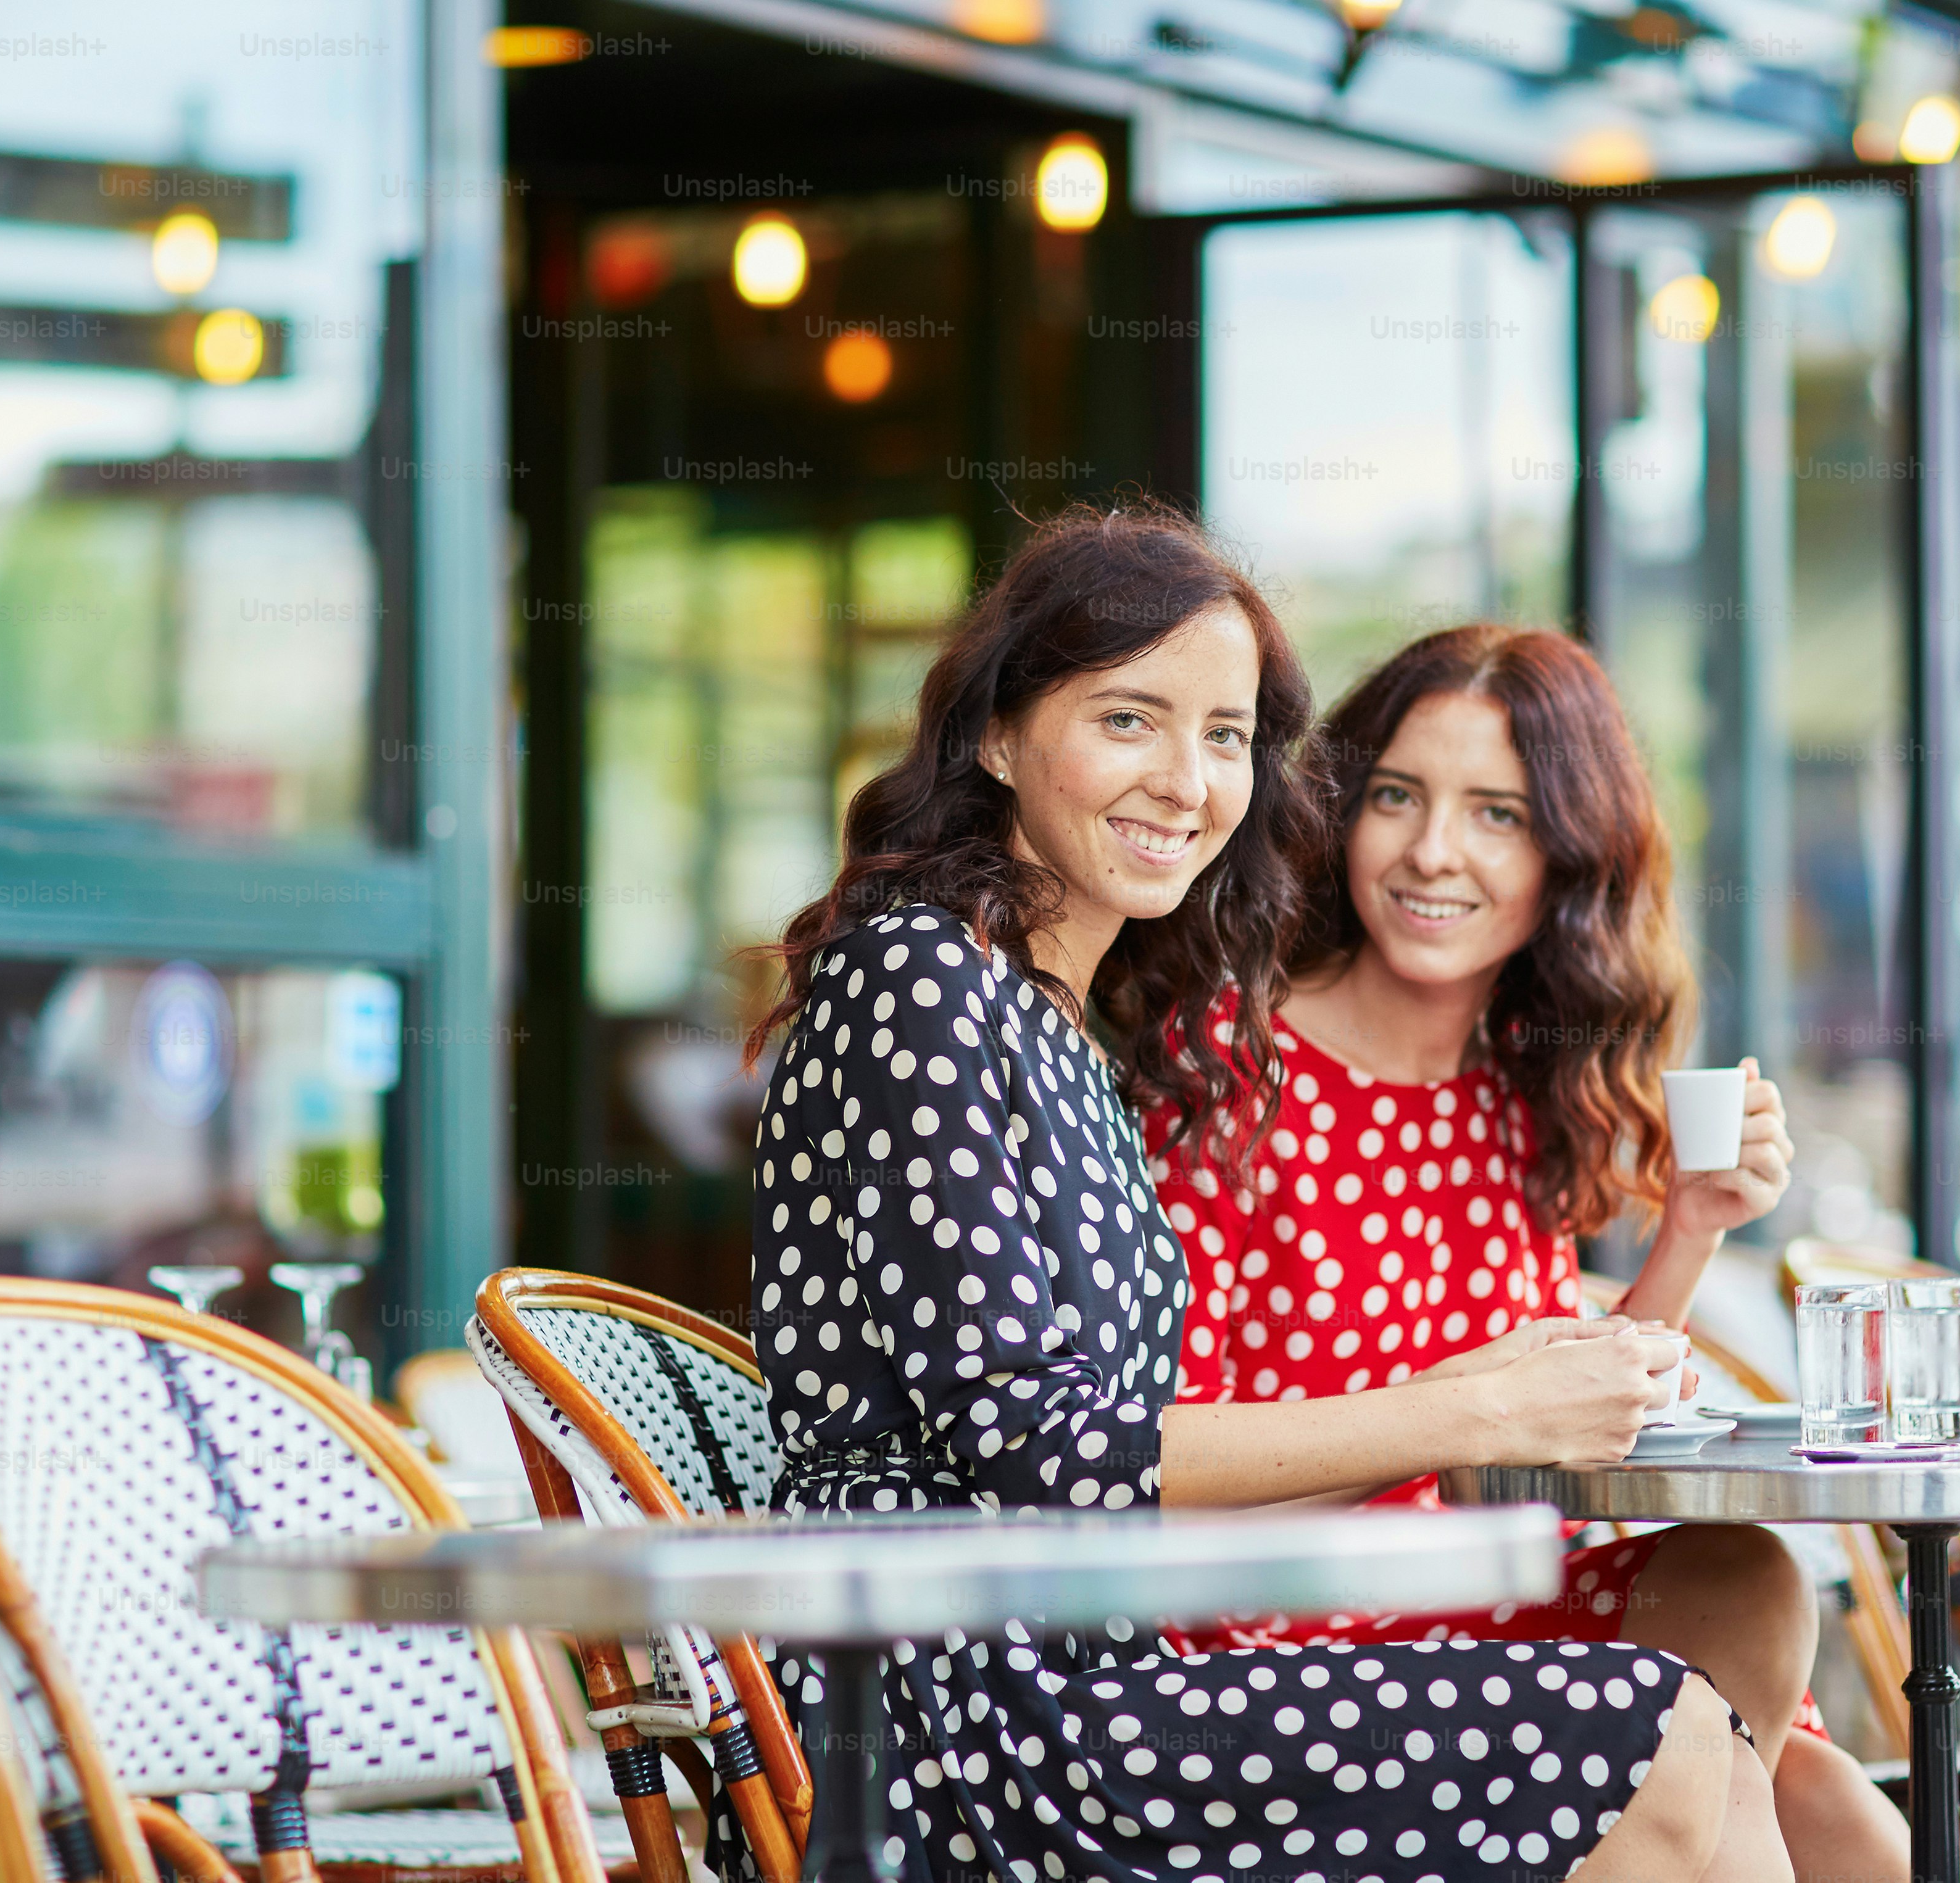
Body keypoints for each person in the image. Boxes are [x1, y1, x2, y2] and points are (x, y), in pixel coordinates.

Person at [749, 504, 1793, 1883]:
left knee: (1727, 1729)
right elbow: (1040, 1446)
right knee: (1658, 1737)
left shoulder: (1054, 1022)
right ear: (998, 735)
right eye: (1131, 719)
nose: (1187, 779)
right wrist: (1470, 1402)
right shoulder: (917, 978)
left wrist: (1553, 1334)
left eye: (1227, 736)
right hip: (970, 1713)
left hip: (1086, 1663)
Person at [1146, 624, 1908, 1883]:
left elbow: (1572, 1401)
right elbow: (1159, 1465)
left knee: (1802, 1706)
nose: (1433, 850)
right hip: (1281, 1639)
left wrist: (1695, 1224)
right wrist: (1458, 1418)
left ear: (1569, 857)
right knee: (1787, 1822)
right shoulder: (1235, 1073)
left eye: (1495, 813)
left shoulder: (1514, 1088)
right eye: (1397, 795)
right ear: (1342, 815)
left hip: (1486, 1590)